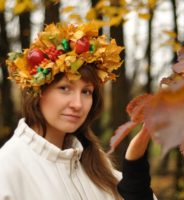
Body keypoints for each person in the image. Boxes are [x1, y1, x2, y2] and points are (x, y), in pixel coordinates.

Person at [0, 23, 156, 200]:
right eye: (65, 88)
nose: (78, 104)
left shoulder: (96, 165)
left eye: (86, 92)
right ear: (38, 92)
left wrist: (136, 180)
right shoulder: (7, 170)